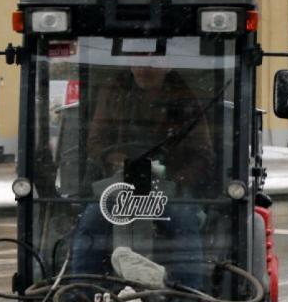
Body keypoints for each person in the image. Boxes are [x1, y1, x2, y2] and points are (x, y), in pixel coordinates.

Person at [70, 63, 214, 290]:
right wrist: (115, 158)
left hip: (169, 185)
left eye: (152, 63)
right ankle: (80, 292)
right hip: (120, 183)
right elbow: (95, 142)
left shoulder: (184, 98)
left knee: (184, 223)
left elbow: (202, 153)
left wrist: (174, 174)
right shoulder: (114, 93)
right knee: (90, 222)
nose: (144, 68)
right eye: (138, 61)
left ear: (166, 67)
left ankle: (189, 293)